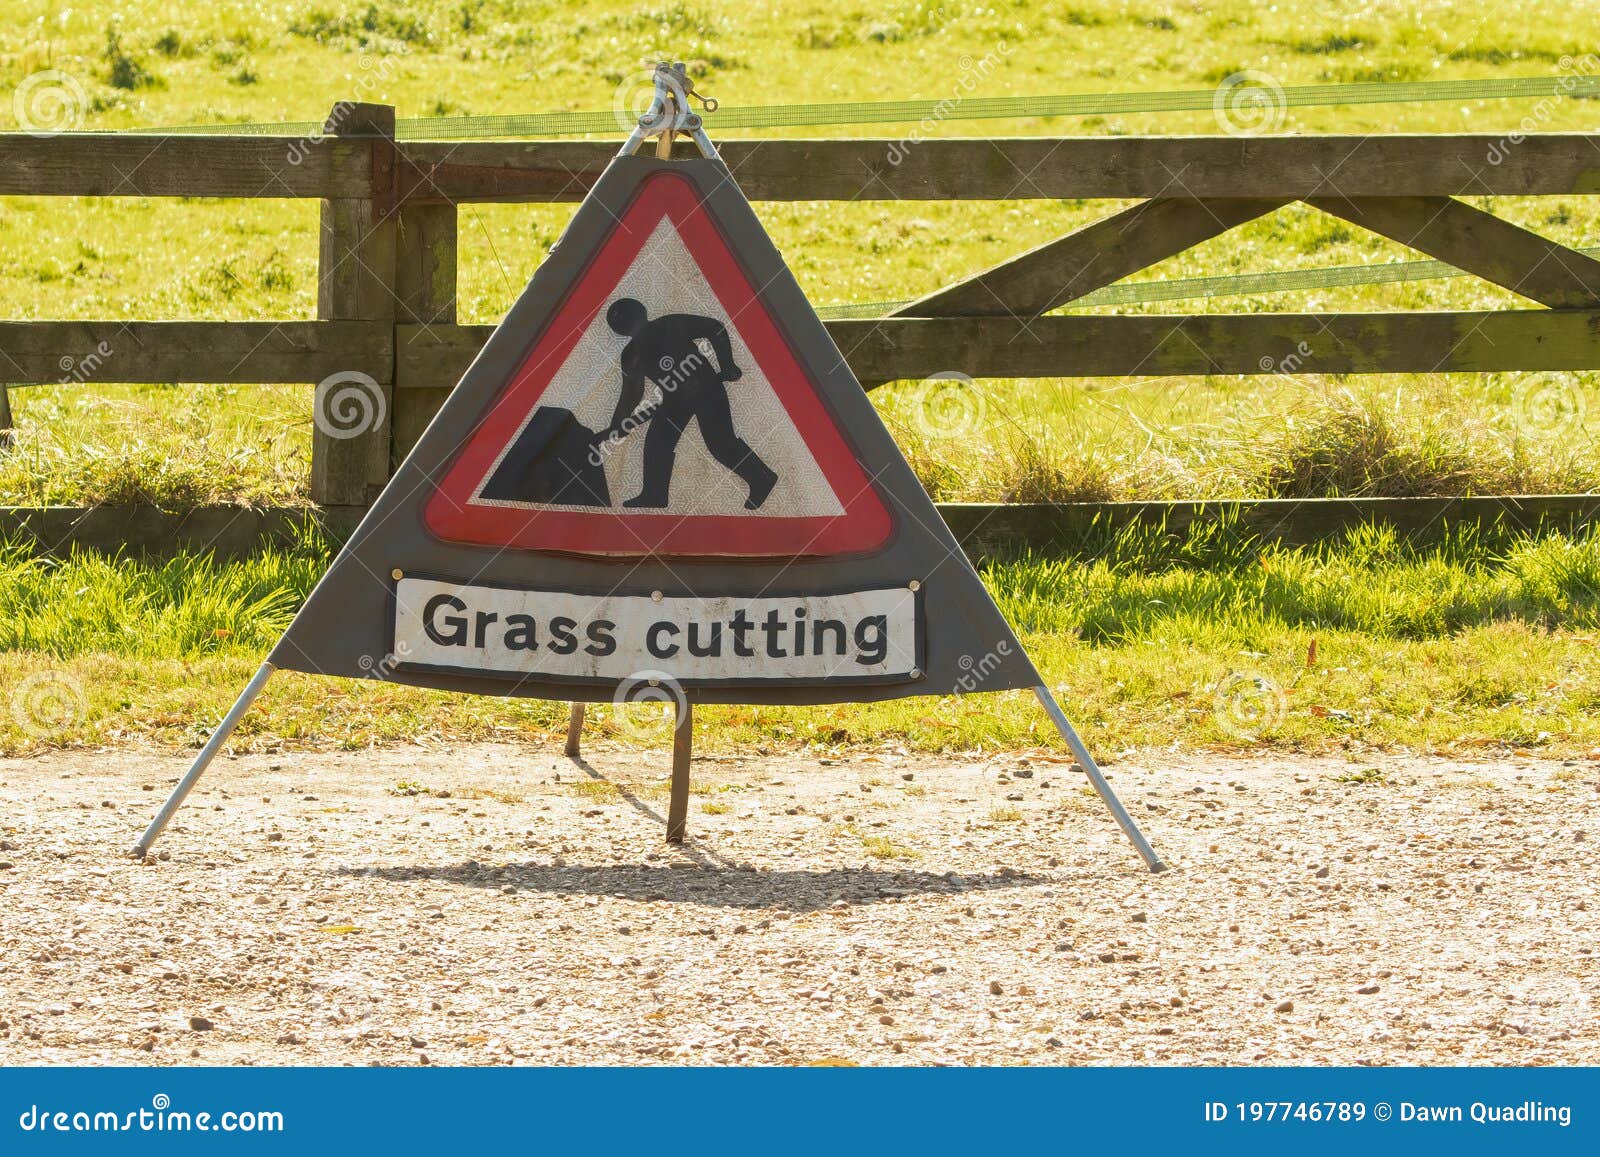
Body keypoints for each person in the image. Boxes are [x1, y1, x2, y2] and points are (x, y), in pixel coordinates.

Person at [595, 297, 779, 510]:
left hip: (706, 389)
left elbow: (714, 328)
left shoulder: (670, 324)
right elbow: (631, 395)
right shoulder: (631, 354)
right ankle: (654, 494)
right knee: (657, 443)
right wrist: (618, 424)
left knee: (721, 445)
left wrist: (727, 365)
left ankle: (761, 478)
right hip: (674, 400)